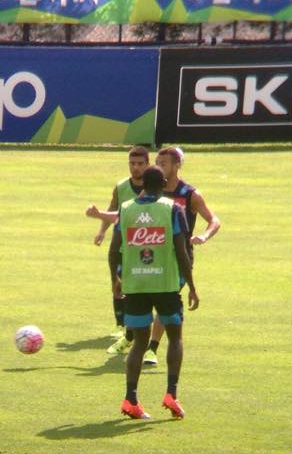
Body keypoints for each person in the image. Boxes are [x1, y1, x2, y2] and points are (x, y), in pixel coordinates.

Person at [109, 166, 198, 420]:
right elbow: (181, 251)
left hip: (136, 286)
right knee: (175, 338)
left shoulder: (126, 209)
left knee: (139, 342)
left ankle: (130, 399)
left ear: (142, 184)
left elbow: (114, 250)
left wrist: (115, 279)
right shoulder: (173, 209)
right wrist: (192, 286)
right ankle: (171, 394)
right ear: (164, 182)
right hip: (166, 285)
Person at [142, 147, 220, 366]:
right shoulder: (150, 191)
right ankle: (132, 336)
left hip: (179, 257)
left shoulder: (190, 194)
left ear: (177, 166)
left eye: (163, 163)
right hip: (152, 256)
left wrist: (204, 236)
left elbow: (214, 220)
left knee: (166, 297)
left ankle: (151, 348)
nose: (158, 167)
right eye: (157, 163)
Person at [86, 146, 149, 354]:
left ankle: (134, 329)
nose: (135, 167)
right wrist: (101, 231)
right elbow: (113, 210)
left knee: (136, 288)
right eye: (132, 163)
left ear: (147, 164)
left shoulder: (153, 187)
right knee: (117, 283)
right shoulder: (121, 186)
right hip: (120, 244)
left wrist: (98, 214)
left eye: (140, 164)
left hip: (142, 246)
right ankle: (122, 326)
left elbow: (124, 214)